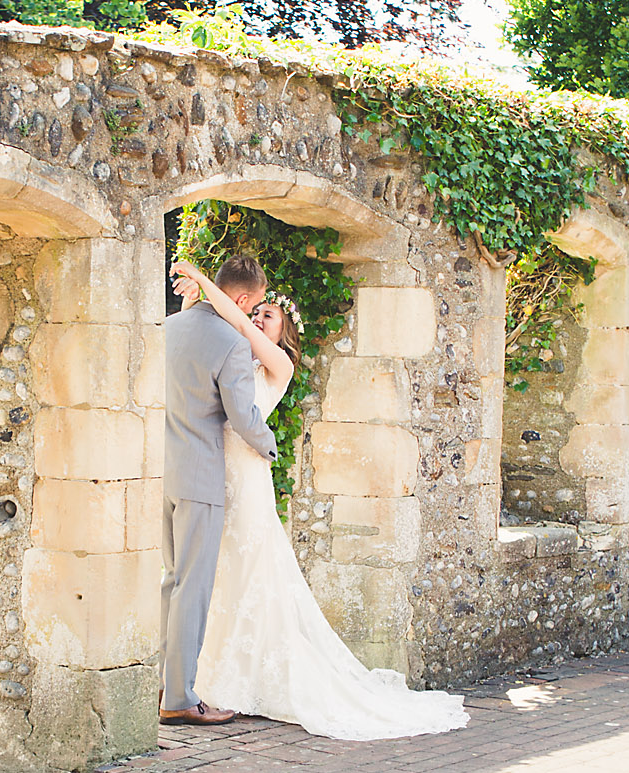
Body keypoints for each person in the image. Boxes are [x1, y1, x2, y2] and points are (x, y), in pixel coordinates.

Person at [168, 258, 470, 741]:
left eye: (270, 317)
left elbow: (236, 322)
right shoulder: (230, 351)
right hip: (208, 468)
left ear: (283, 334)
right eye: (259, 309)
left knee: (246, 568)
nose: (260, 316)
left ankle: (238, 677)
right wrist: (194, 301)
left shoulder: (278, 363)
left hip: (244, 474)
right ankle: (196, 677)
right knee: (208, 575)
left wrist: (205, 284)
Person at [157, 255, 280, 726]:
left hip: (162, 472)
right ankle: (181, 697)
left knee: (170, 580)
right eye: (256, 305)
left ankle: (166, 684)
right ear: (243, 298)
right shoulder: (231, 343)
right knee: (194, 586)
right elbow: (243, 416)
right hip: (202, 476)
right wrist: (269, 446)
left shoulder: (166, 327)